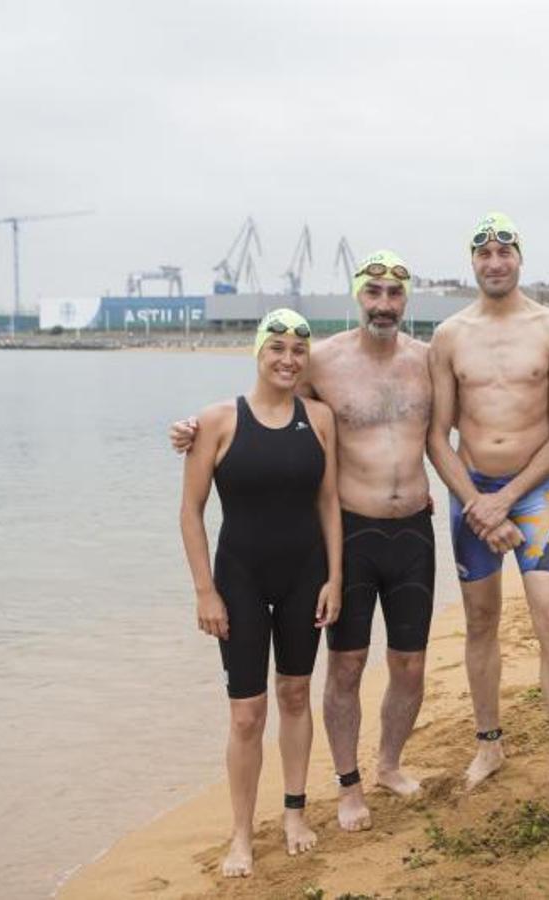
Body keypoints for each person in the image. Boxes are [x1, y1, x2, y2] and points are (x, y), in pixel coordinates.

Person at [171, 251, 435, 833]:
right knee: (303, 686)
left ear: (406, 299)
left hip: (386, 539)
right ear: (357, 295)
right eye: (374, 291)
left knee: (379, 673)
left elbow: (460, 419)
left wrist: (479, 486)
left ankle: (362, 777)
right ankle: (307, 803)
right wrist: (192, 428)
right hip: (303, 550)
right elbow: (201, 498)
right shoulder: (317, 367)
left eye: (395, 292)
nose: (384, 303)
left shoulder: (420, 364)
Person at [427, 212, 549, 818]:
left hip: (534, 491)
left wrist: (504, 498)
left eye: (505, 251)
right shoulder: (450, 335)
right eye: (484, 252)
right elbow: (437, 437)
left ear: (520, 258)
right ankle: (489, 744)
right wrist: (477, 501)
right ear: (473, 262)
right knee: (481, 621)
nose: (495, 262)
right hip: (472, 493)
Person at [178, 309, 341, 876]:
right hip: (239, 578)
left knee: (296, 695)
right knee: (247, 714)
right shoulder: (217, 421)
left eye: (299, 349)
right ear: (258, 352)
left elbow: (328, 504)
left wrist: (335, 578)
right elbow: (191, 513)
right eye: (277, 348)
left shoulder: (319, 419)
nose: (288, 359)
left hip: (304, 574)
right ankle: (242, 834)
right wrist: (205, 591)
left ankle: (294, 811)